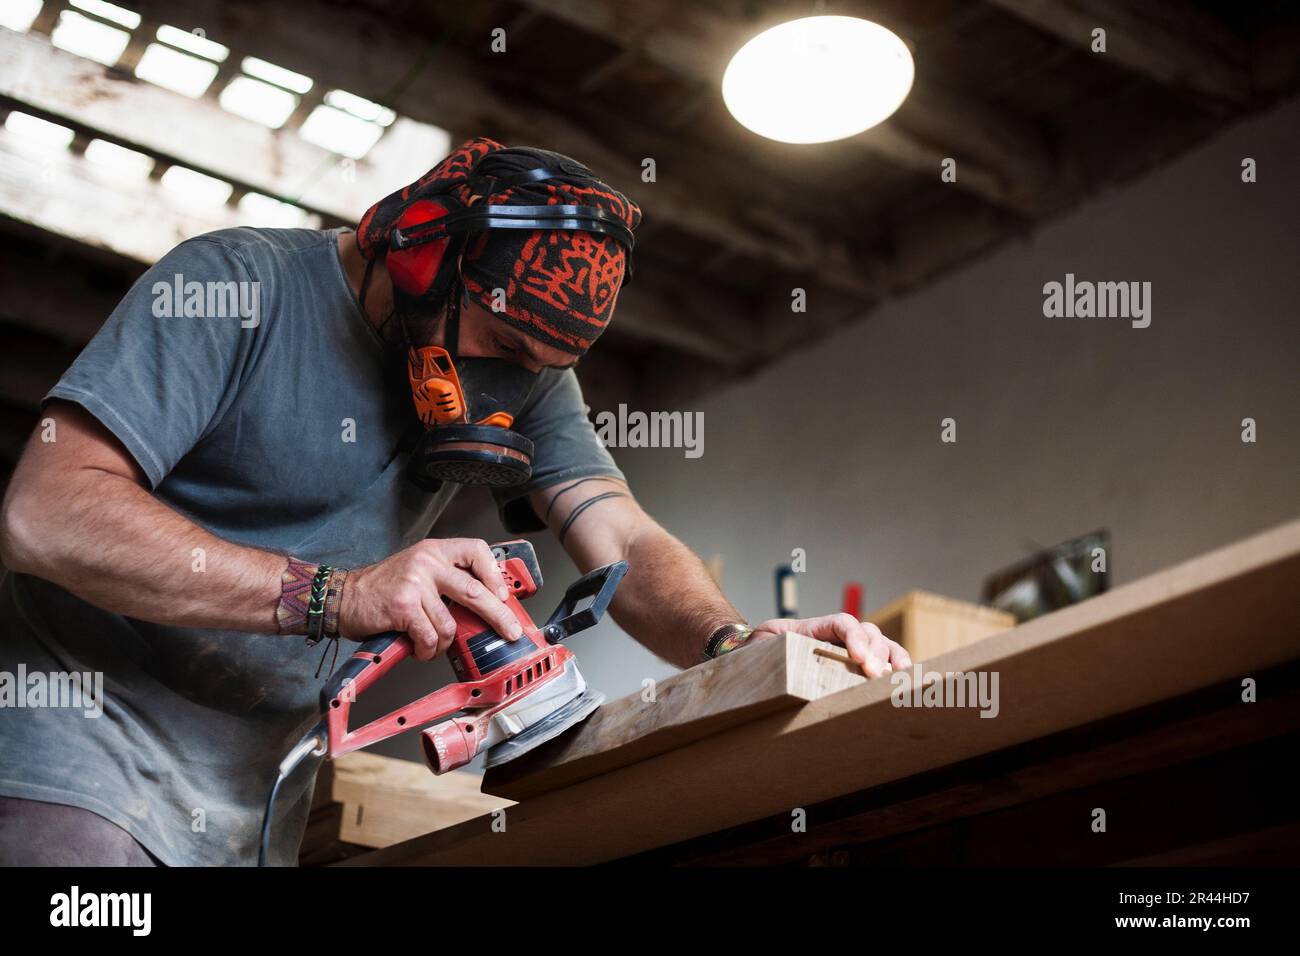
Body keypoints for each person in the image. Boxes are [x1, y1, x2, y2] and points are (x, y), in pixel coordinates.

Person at [0, 137, 909, 866]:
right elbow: (46, 513)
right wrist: (340, 595)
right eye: (505, 342)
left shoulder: (529, 372)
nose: (510, 382)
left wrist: (732, 644)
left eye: (541, 365)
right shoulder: (240, 287)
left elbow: (619, 532)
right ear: (425, 256)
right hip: (75, 752)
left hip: (250, 803)